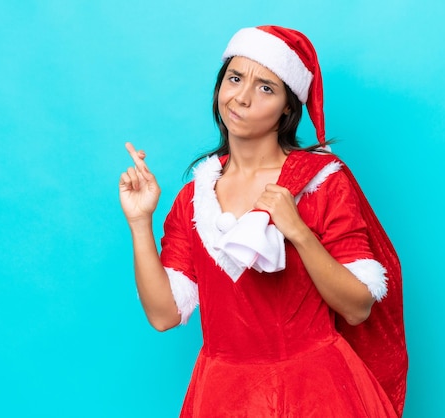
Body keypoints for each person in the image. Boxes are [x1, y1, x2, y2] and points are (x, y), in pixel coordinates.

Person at [119, 25, 408, 417]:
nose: (241, 97)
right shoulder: (194, 198)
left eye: (266, 88)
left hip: (320, 393)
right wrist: (140, 222)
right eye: (235, 79)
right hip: (224, 395)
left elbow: (358, 308)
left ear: (288, 107)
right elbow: (163, 315)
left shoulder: (322, 182)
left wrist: (299, 232)